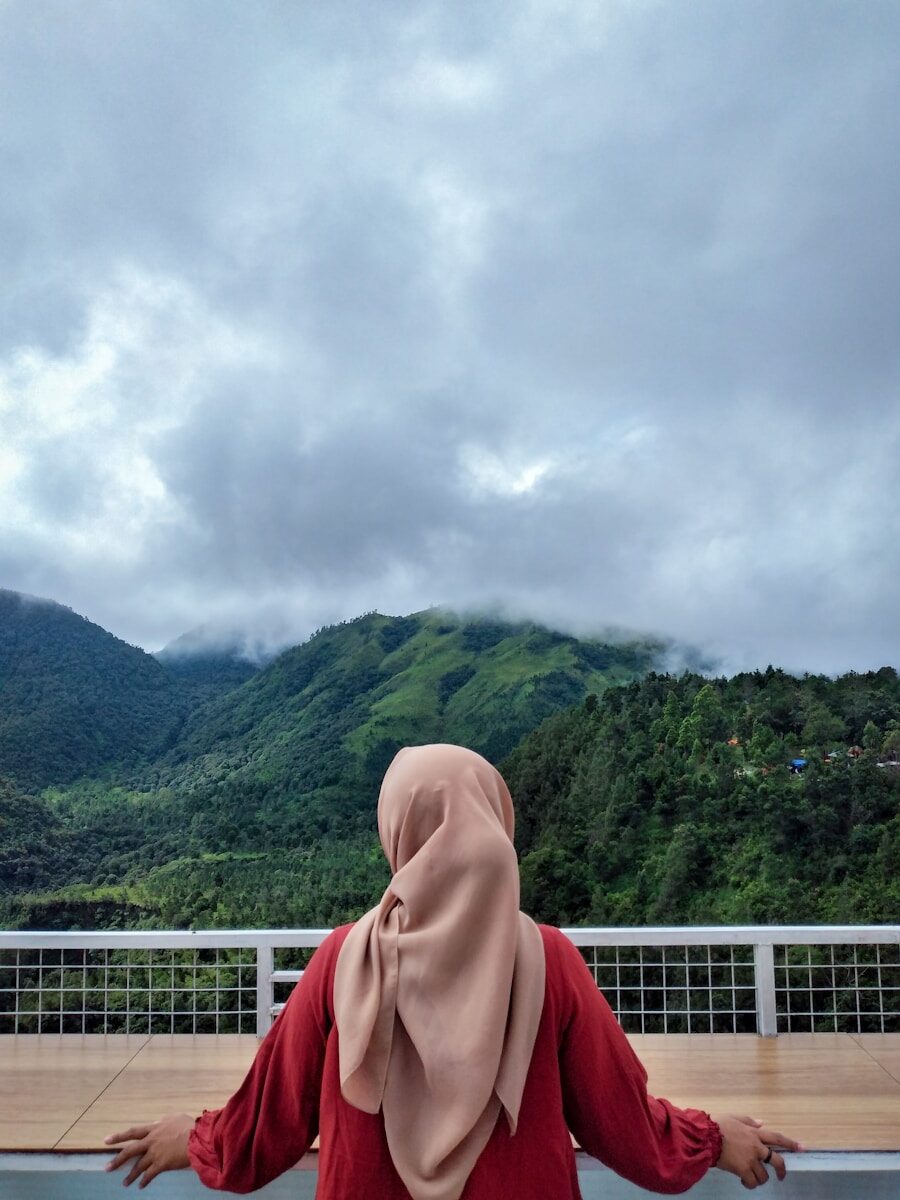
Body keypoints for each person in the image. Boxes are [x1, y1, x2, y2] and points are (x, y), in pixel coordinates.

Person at [104, 743, 802, 1195]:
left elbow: (268, 1126)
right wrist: (712, 1141)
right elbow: (619, 1119)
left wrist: (193, 1140)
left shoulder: (343, 960)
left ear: (397, 834)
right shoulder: (547, 959)